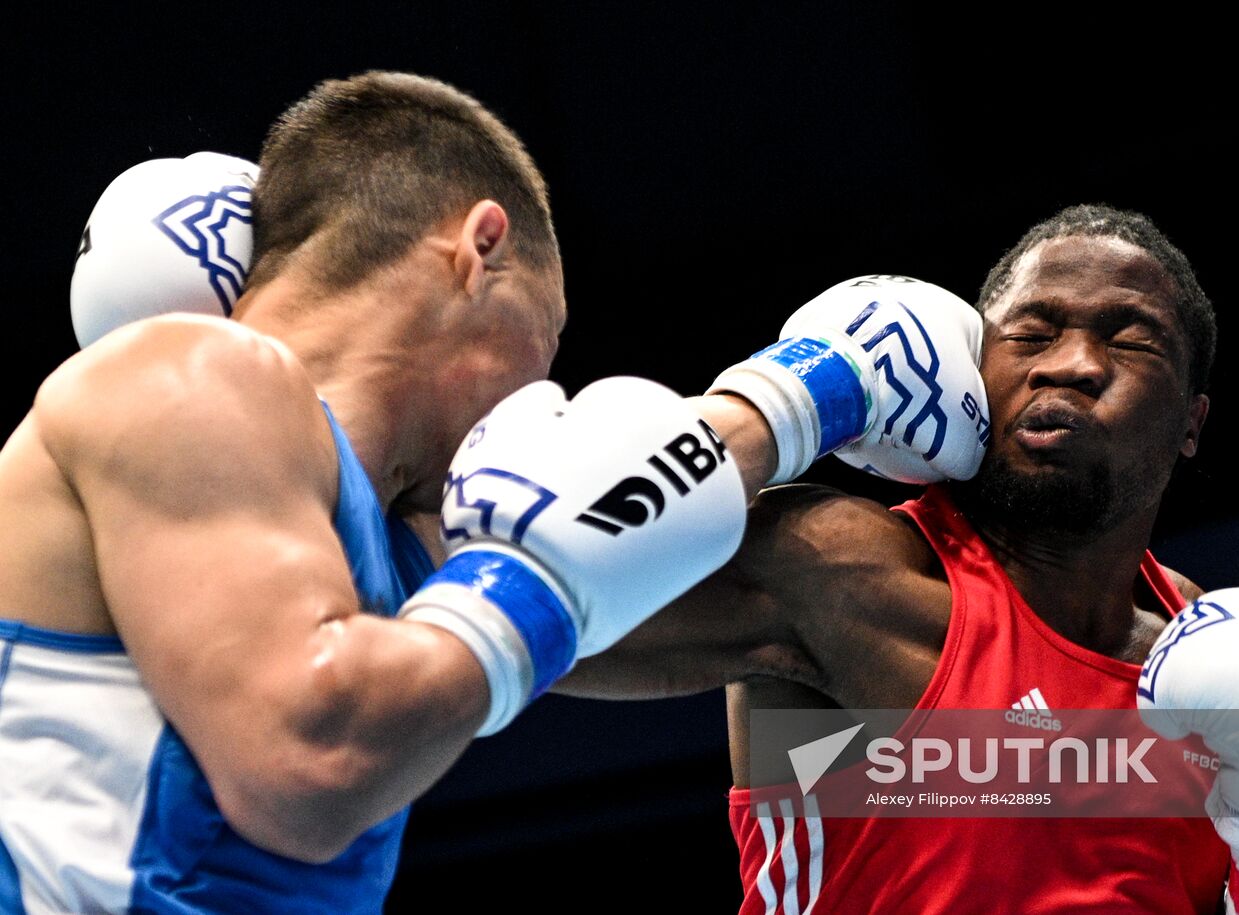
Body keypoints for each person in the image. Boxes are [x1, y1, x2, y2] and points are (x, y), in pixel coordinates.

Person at [4, 70, 990, 913]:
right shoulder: (194, 375)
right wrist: (539, 582)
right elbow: (309, 761)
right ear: (479, 246)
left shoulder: (360, 542)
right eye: (546, 342)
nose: (536, 400)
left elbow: (629, 517)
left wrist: (814, 391)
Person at [561, 205, 1239, 914]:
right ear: (974, 369)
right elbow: (550, 589)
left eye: (1130, 343)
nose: (1071, 364)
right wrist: (792, 400)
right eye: (1031, 333)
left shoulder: (1230, 667)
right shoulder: (849, 571)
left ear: (1192, 422)